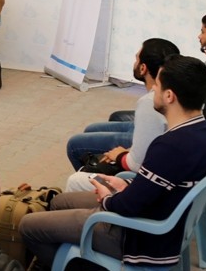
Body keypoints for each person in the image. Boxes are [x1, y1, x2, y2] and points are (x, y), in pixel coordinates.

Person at [22, 55, 206, 271]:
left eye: (157, 86)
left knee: (29, 226)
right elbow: (158, 186)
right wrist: (126, 183)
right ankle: (86, 266)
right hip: (166, 225)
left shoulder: (170, 146)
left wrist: (108, 197)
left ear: (169, 96)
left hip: (140, 236)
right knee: (59, 201)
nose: (152, 91)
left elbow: (126, 206)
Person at [64, 39, 179, 175]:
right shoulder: (174, 88)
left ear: (143, 68)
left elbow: (139, 161)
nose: (134, 63)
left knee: (74, 144)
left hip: (147, 157)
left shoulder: (150, 102)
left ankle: (89, 180)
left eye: (136, 59)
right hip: (156, 137)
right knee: (92, 128)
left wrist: (121, 155)